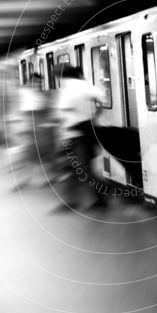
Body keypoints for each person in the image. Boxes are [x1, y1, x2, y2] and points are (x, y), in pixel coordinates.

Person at [55, 65, 104, 210]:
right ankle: (73, 201)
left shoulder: (69, 88)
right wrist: (95, 115)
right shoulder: (84, 85)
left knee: (79, 169)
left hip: (73, 134)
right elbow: (101, 97)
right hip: (84, 132)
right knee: (77, 168)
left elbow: (63, 114)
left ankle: (99, 198)